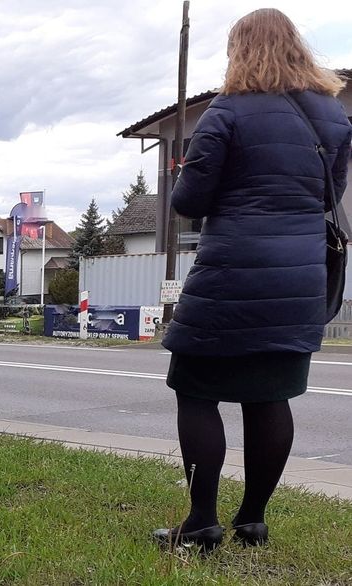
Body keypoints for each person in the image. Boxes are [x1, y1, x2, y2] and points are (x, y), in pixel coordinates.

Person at [154, 8, 352, 551]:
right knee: (271, 397)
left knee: (195, 390)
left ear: (240, 51)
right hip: (299, 279)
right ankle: (253, 520)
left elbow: (188, 202)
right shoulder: (332, 116)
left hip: (230, 275)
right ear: (296, 47)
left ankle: (201, 523)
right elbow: (328, 198)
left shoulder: (228, 111)